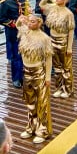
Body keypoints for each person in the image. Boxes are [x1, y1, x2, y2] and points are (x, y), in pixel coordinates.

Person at [16, 14, 53, 144]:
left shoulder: (44, 38)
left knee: (42, 103)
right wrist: (20, 20)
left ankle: (43, 131)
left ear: (39, 23)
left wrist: (48, 77)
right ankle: (31, 127)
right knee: (30, 102)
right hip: (26, 72)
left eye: (33, 22)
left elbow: (49, 59)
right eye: (29, 21)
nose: (30, 24)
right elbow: (19, 26)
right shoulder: (25, 33)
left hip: (39, 73)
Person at [39, 0, 75, 98]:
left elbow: (71, 31)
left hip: (63, 41)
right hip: (52, 40)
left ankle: (68, 90)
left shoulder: (68, 13)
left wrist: (69, 47)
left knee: (66, 67)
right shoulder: (52, 8)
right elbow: (41, 4)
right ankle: (59, 88)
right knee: (57, 67)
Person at [0, 0, 29, 88]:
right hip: (13, 32)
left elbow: (28, 12)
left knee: (24, 53)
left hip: (25, 32)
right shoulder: (6, 2)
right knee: (16, 56)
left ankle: (22, 73)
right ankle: (16, 78)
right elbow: (1, 18)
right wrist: (13, 24)